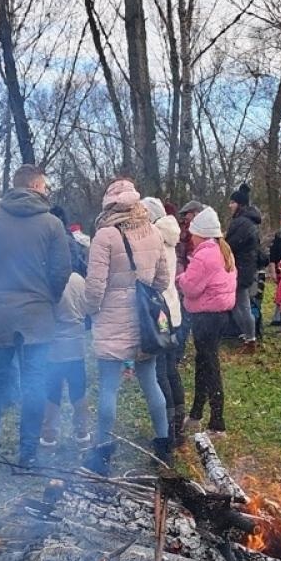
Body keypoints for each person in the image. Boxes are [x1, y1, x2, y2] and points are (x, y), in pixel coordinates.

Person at [0, 163, 73, 473]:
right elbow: (61, 271)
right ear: (38, 187)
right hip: (36, 319)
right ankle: (28, 456)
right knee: (35, 385)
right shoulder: (52, 225)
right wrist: (48, 298)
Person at [83, 179, 172, 470]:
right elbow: (162, 281)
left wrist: (89, 311)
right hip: (145, 321)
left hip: (112, 321)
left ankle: (103, 450)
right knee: (151, 382)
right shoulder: (154, 233)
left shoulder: (104, 236)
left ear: (109, 205)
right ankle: (163, 445)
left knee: (109, 388)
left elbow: (95, 288)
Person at [176, 206, 235, 434]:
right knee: (203, 363)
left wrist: (180, 278)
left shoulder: (205, 254)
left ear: (201, 233)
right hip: (219, 315)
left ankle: (217, 422)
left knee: (210, 366)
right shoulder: (224, 250)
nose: (190, 236)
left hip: (205, 316)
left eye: (193, 232)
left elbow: (191, 287)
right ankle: (196, 414)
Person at [148, 198, 187, 439]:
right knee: (171, 368)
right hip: (173, 311)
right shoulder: (169, 235)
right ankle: (178, 421)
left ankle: (169, 426)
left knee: (160, 370)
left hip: (159, 311)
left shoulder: (155, 239)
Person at [44, 258, 92, 447]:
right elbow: (89, 309)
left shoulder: (48, 280)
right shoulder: (79, 280)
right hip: (77, 344)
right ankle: (82, 432)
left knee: (52, 389)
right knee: (78, 389)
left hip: (54, 346)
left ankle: (49, 435)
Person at [224, 182, 262, 344]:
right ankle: (247, 333)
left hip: (242, 268)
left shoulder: (242, 222)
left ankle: (250, 336)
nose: (230, 205)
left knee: (242, 304)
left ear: (239, 204)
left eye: (232, 202)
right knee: (239, 304)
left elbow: (231, 244)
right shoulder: (246, 221)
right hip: (244, 266)